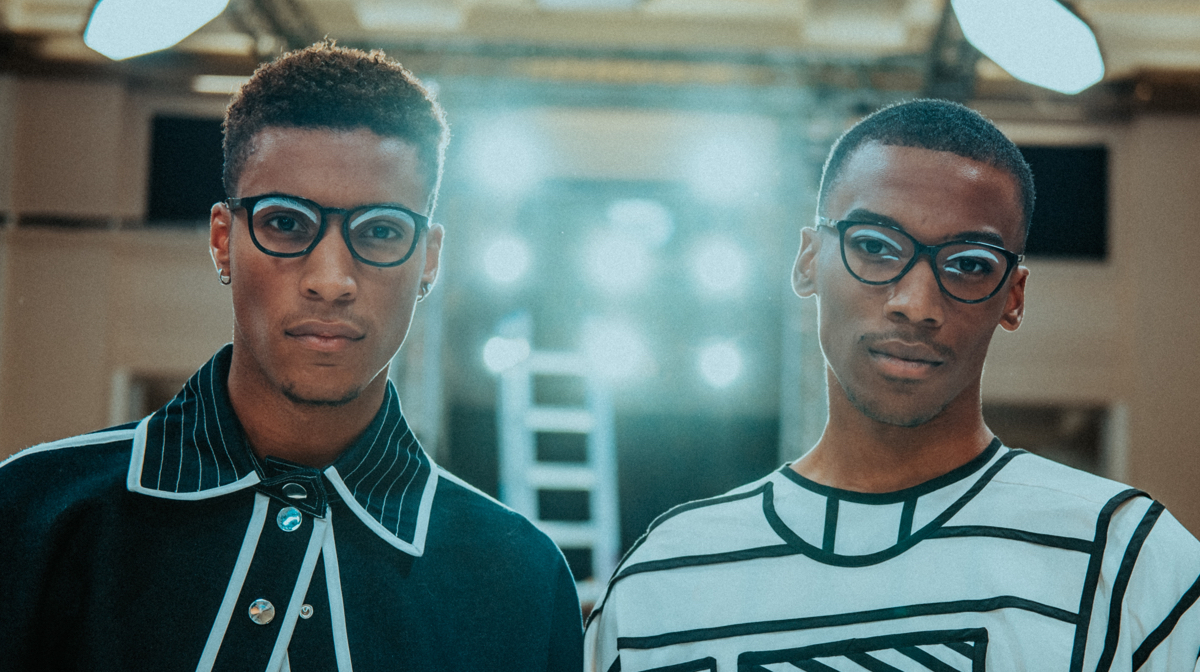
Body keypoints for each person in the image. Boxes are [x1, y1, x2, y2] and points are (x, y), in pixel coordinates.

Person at [0, 42, 582, 671]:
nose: (331, 280)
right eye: (286, 224)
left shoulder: (519, 578)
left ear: (429, 258)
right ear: (224, 241)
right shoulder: (33, 514)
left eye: (381, 230)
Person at [585, 99, 1200, 671]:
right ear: (806, 261)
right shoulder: (661, 580)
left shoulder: (1125, 560)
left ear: (1013, 297)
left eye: (968, 264)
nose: (915, 302)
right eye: (876, 246)